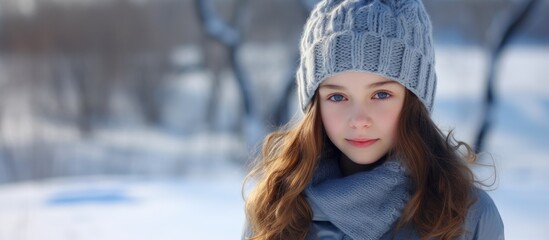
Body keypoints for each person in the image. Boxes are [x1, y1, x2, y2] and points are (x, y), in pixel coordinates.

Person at [242, 0, 504, 239]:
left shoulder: (467, 215)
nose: (358, 120)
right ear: (315, 105)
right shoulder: (275, 209)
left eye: (381, 94)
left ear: (413, 100)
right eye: (337, 97)